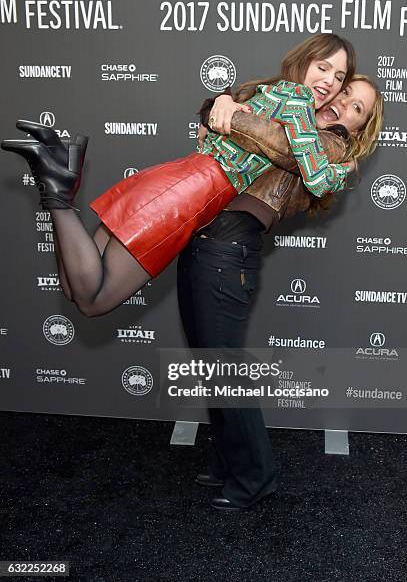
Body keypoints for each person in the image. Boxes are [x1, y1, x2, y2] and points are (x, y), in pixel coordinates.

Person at [1, 35, 357, 321]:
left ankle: (57, 168)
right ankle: (58, 190)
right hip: (189, 196)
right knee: (93, 299)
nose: (328, 81)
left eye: (339, 77)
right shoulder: (298, 108)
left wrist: (224, 103)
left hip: (174, 178)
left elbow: (221, 117)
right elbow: (319, 180)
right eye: (323, 67)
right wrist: (346, 169)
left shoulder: (268, 91)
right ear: (303, 61)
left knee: (73, 285)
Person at [177, 61, 384, 510]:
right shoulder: (300, 116)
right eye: (345, 92)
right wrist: (221, 108)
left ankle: (255, 477)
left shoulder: (328, 143)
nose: (343, 104)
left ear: (361, 128)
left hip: (229, 251)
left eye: (357, 108)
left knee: (226, 369)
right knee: (213, 368)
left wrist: (229, 110)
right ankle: (229, 463)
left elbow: (280, 145)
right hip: (205, 238)